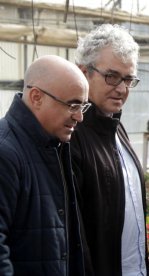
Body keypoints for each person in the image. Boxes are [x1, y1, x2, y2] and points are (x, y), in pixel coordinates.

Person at [71, 24, 149, 276]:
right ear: (84, 73)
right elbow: (75, 233)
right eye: (112, 76)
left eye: (128, 79)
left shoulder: (116, 126)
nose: (122, 88)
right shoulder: (72, 136)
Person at [0, 55, 91, 275]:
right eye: (72, 105)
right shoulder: (6, 152)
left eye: (83, 106)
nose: (79, 117)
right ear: (36, 97)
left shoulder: (53, 145)